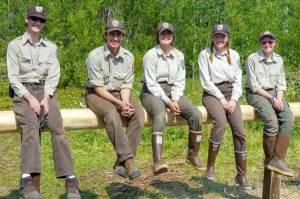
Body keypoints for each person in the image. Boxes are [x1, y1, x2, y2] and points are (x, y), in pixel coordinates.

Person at [6, 6, 80, 199]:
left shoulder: (51, 47)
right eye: (33, 19)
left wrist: (47, 98)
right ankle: (27, 180)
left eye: (41, 20)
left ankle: (70, 180)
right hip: (23, 92)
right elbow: (13, 77)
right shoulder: (15, 46)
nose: (37, 23)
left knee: (57, 127)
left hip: (46, 91)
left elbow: (54, 74)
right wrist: (29, 98)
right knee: (30, 126)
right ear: (26, 19)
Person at [141, 22, 204, 175]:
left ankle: (192, 155)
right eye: (163, 33)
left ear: (173, 36)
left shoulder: (179, 55)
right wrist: (168, 103)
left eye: (169, 33)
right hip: (151, 92)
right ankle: (157, 161)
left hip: (173, 91)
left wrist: (175, 99)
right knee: (160, 115)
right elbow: (151, 83)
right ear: (158, 36)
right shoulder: (150, 55)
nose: (166, 36)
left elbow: (180, 80)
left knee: (196, 114)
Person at [85, 19, 144, 180]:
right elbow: (98, 88)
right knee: (112, 113)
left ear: (123, 36)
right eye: (112, 34)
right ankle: (129, 160)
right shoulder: (94, 56)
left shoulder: (128, 57)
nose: (115, 38)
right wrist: (118, 104)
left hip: (120, 93)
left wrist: (125, 102)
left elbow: (126, 84)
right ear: (106, 35)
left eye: (118, 34)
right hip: (97, 94)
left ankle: (120, 163)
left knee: (138, 114)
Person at [198, 24, 251, 190]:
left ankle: (241, 174)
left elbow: (237, 80)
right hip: (212, 93)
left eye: (222, 36)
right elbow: (206, 82)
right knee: (220, 122)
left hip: (231, 94)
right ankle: (210, 168)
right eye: (216, 36)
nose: (219, 39)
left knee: (240, 131)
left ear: (227, 38)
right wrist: (222, 99)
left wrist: (234, 100)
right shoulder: (205, 54)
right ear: (212, 37)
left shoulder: (234, 55)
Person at [245, 31, 294, 177]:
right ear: (260, 44)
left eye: (270, 42)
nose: (267, 44)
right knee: (272, 121)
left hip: (274, 93)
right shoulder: (252, 59)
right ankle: (268, 159)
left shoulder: (279, 59)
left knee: (288, 117)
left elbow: (281, 83)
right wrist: (272, 100)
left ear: (274, 43)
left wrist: (278, 99)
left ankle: (278, 159)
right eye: (264, 42)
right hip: (256, 94)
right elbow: (255, 86)